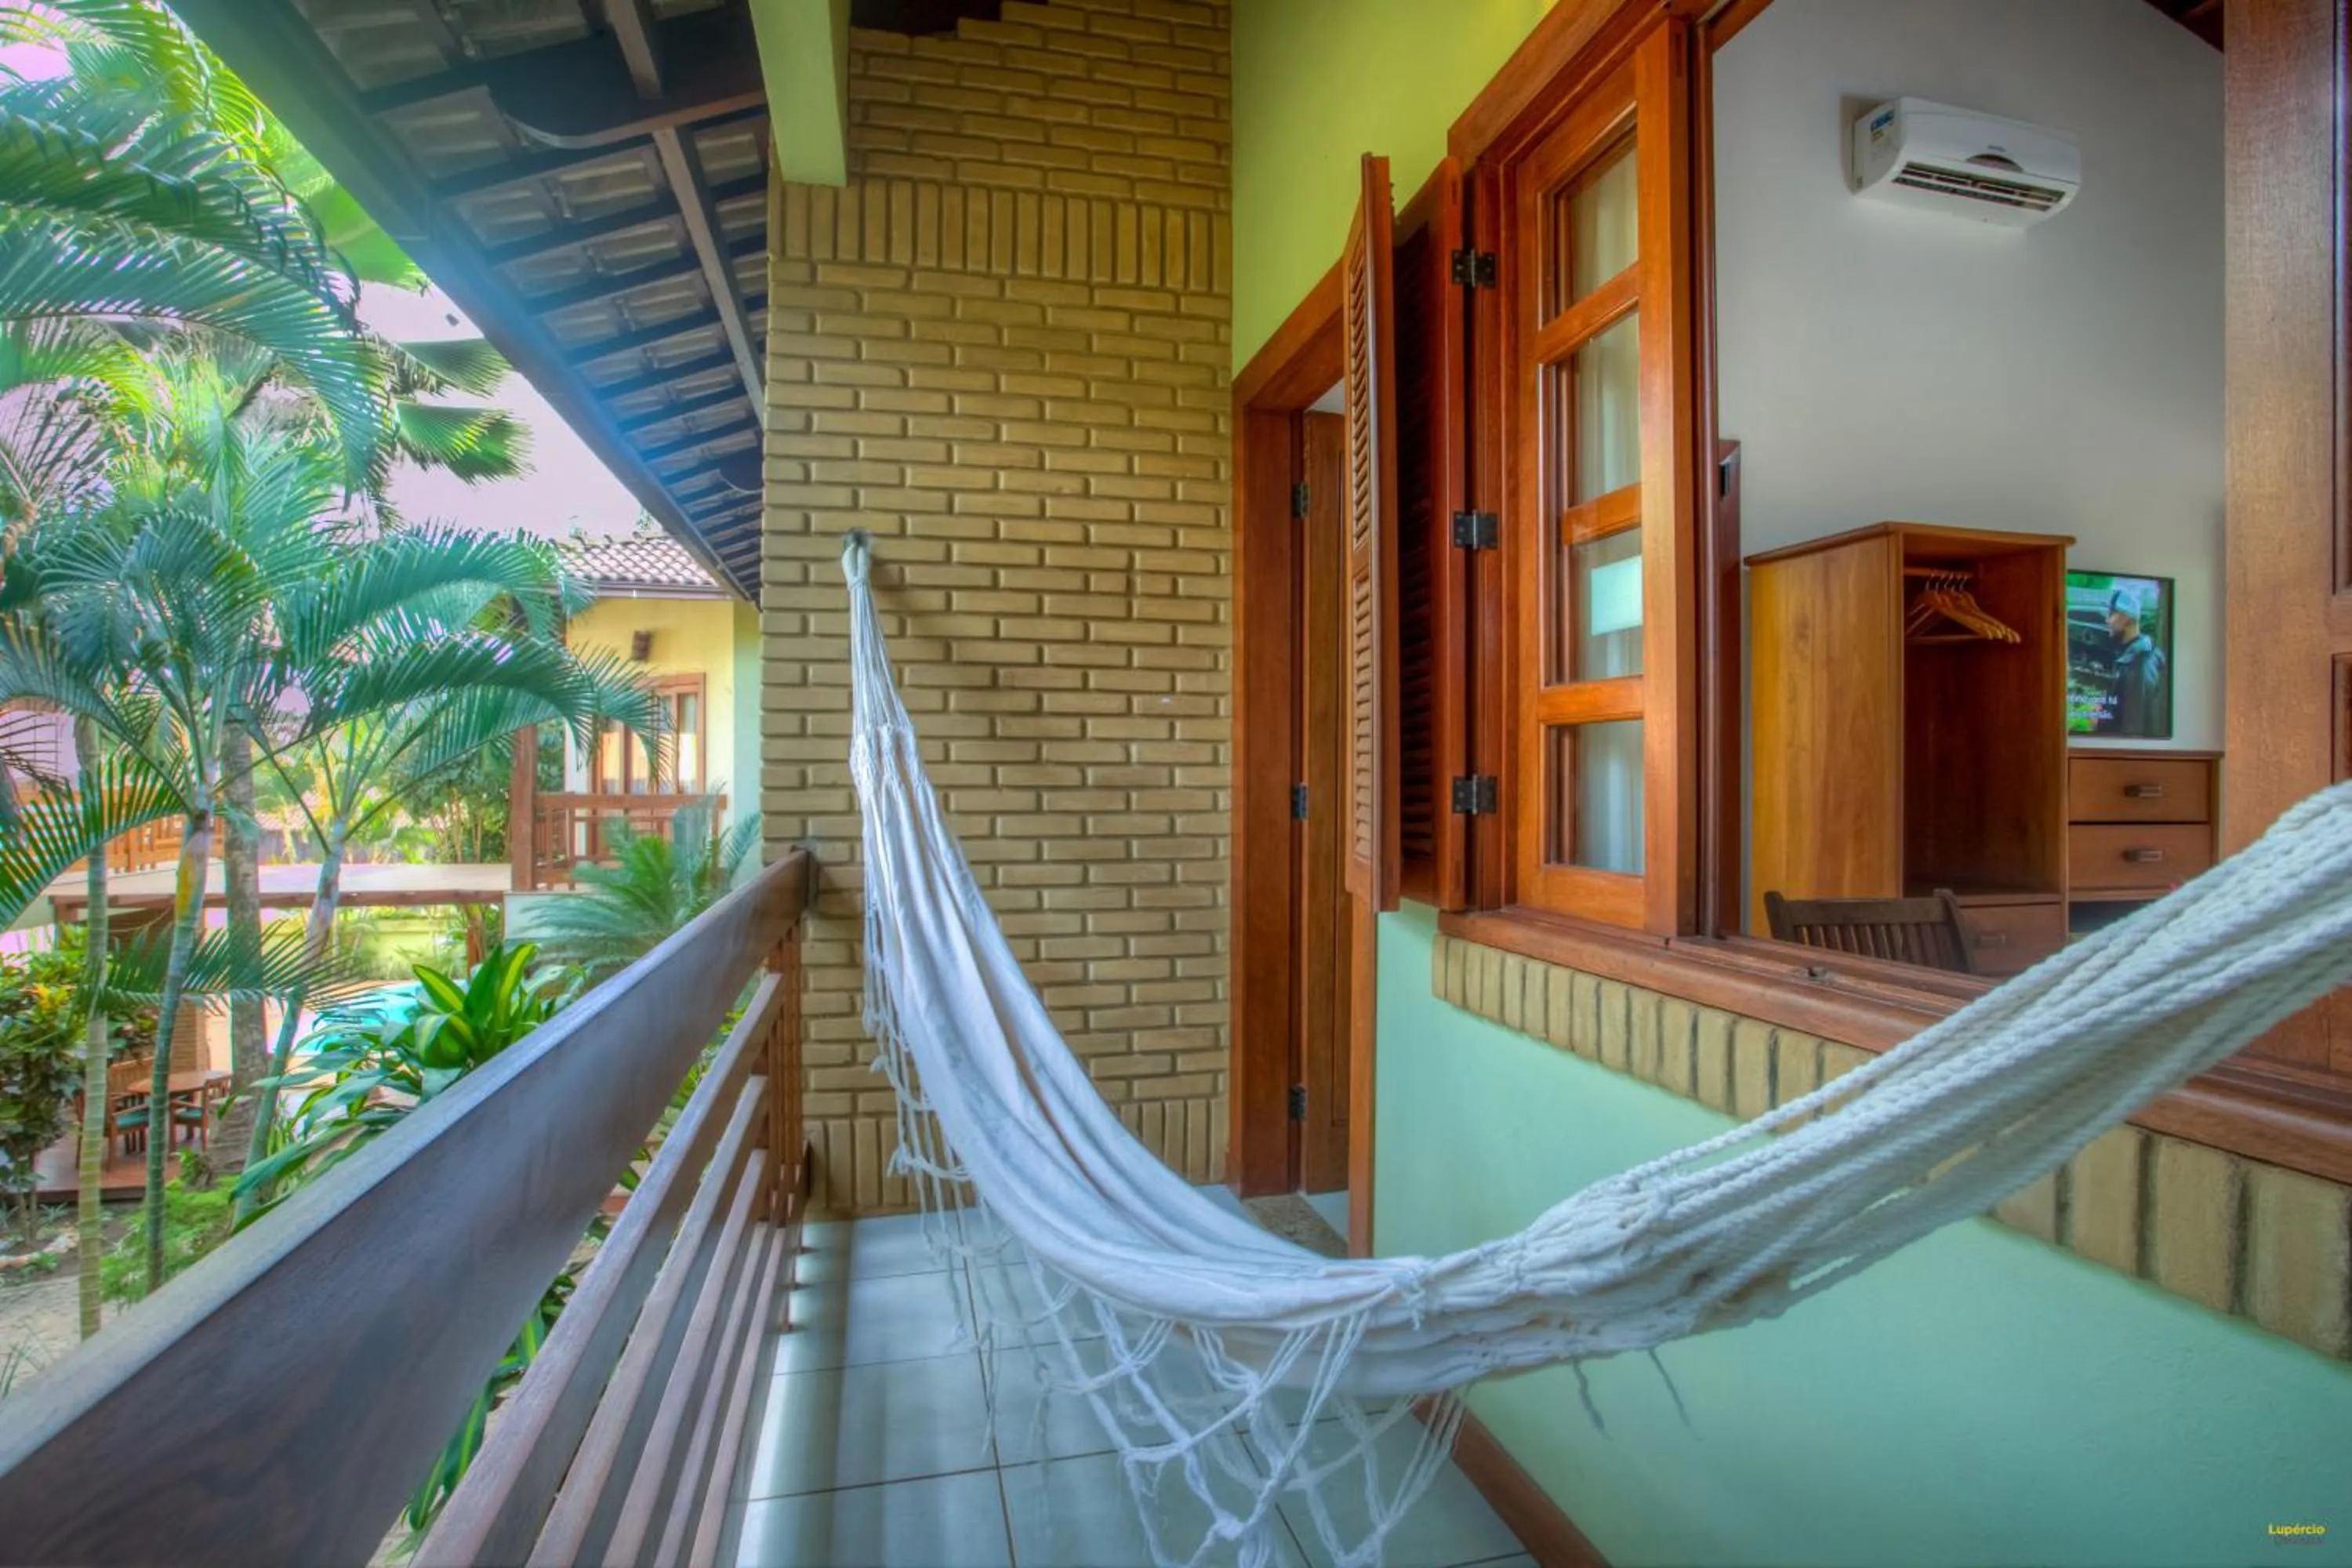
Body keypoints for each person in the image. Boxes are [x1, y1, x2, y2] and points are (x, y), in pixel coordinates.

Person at [2103, 585, 2168, 736]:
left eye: (2112, 613)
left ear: (2126, 617)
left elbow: (2134, 728)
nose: (2108, 620)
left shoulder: (2142, 663)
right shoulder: (2128, 655)